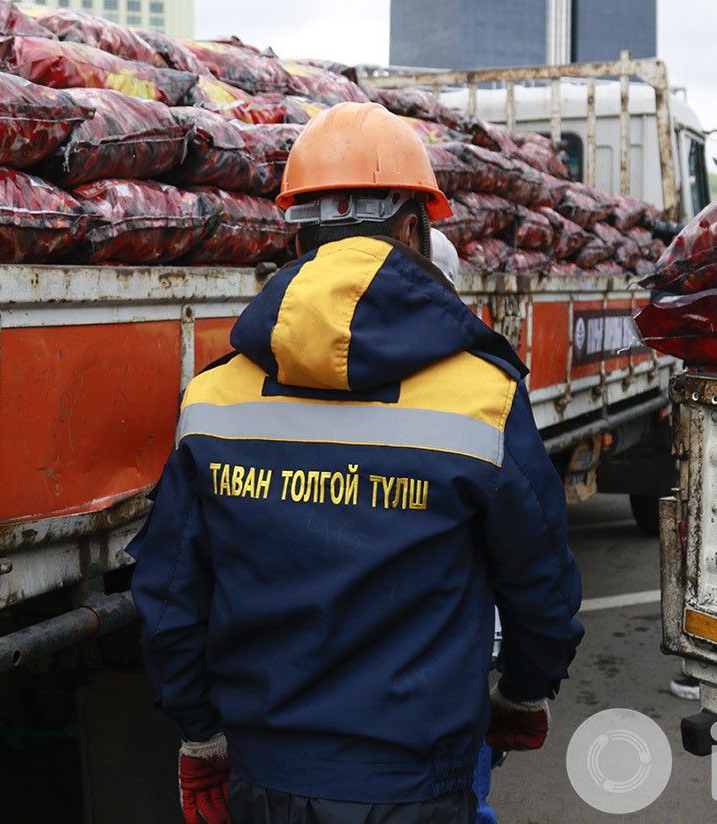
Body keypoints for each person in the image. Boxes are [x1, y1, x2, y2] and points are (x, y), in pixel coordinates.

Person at [130, 101, 584, 824]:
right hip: (419, 784)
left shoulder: (214, 398)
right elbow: (539, 587)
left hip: (265, 781)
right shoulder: (483, 396)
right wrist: (525, 693)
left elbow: (171, 601)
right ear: (413, 228)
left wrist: (201, 732)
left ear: (298, 235)